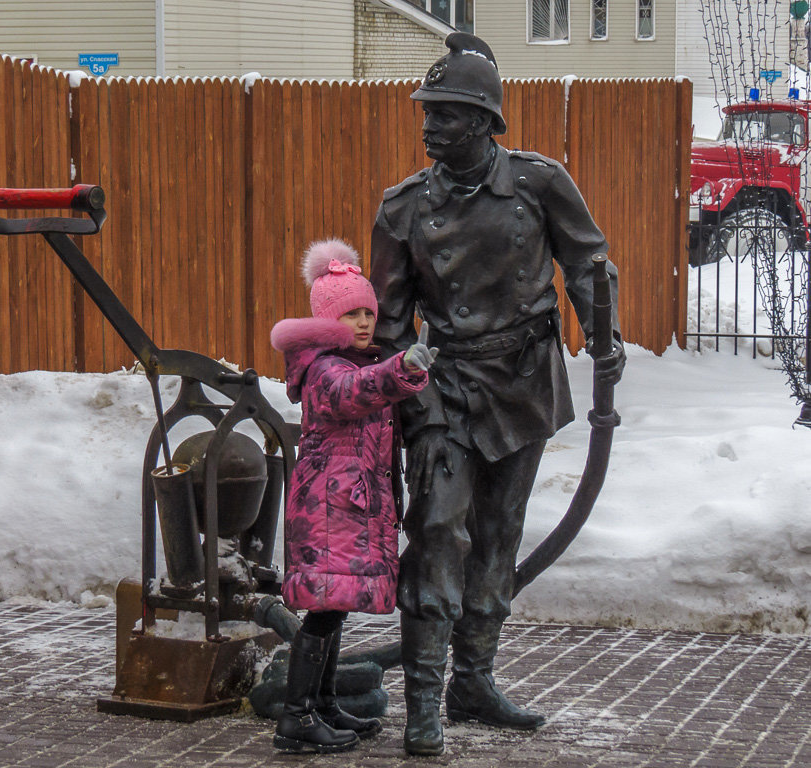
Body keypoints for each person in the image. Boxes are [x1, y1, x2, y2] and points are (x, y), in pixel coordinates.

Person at [369, 32, 626, 756]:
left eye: (445, 114)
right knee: (436, 533)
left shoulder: (539, 183)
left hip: (521, 379)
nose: (429, 127)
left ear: (483, 121)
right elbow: (389, 326)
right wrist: (411, 401)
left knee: (498, 534)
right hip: (444, 387)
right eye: (427, 113)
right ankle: (423, 702)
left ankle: (472, 680)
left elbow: (588, 261)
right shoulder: (401, 209)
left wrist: (603, 337)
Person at [269, 238, 438, 753]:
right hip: (327, 510)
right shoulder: (325, 369)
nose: (365, 322)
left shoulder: (348, 361)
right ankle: (296, 718)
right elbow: (353, 393)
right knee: (323, 611)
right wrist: (400, 369)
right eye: (352, 314)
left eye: (369, 312)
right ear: (327, 320)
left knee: (333, 608)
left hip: (341, 508)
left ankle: (320, 705)